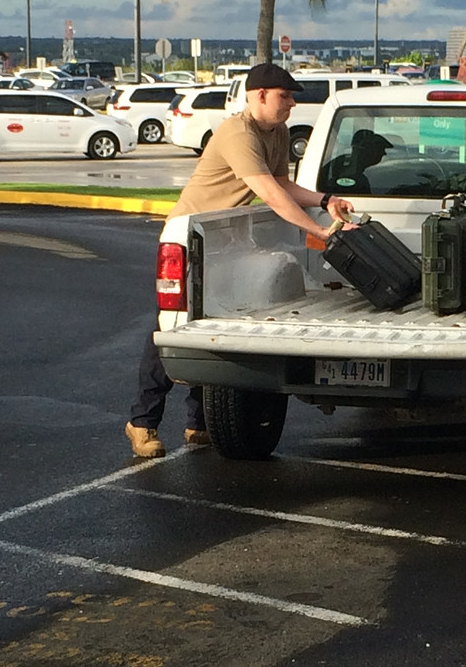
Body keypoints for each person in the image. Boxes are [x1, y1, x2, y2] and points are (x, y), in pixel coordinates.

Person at [125, 61, 353, 459]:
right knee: (170, 327)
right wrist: (317, 231)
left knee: (210, 321)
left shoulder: (277, 132)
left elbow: (282, 182)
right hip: (187, 235)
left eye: (292, 97)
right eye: (285, 97)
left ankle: (198, 423)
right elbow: (268, 191)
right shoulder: (237, 132)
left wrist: (325, 201)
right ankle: (142, 422)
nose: (291, 105)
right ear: (259, 95)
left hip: (225, 236)